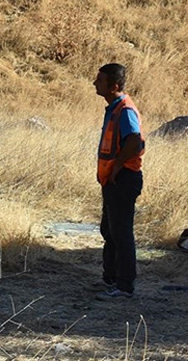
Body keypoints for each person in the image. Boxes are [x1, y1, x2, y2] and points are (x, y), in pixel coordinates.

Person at [93, 63, 145, 299]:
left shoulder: (124, 109)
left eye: (100, 80)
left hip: (123, 178)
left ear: (113, 86)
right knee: (110, 229)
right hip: (114, 178)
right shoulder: (115, 107)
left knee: (121, 232)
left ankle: (124, 286)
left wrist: (116, 167)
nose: (95, 83)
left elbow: (135, 141)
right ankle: (111, 278)